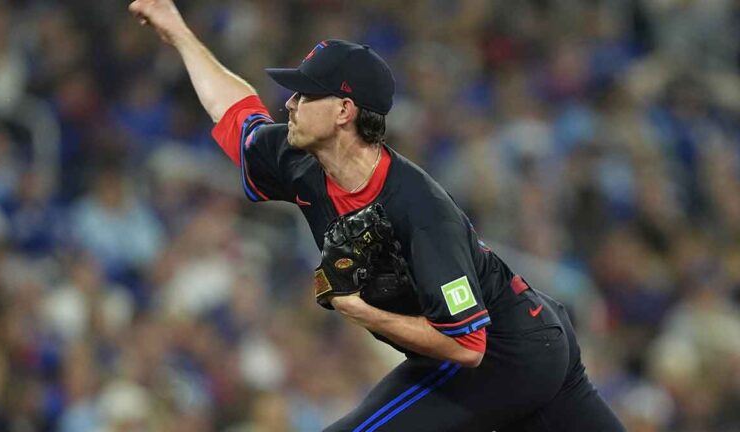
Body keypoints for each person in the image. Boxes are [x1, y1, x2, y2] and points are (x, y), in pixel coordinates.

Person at [128, 1, 626, 430]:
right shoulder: (299, 157)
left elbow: (467, 345)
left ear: (344, 111)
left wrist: (361, 311)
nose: (292, 103)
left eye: (305, 94)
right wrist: (177, 31)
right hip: (534, 338)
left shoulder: (420, 209)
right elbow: (236, 112)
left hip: (504, 352)